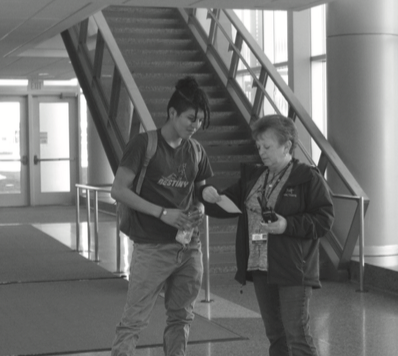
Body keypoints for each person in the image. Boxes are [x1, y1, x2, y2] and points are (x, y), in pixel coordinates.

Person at [200, 114, 334, 356]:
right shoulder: (255, 176)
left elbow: (324, 220)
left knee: (297, 334)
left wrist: (287, 225)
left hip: (293, 268)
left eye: (267, 146)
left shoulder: (307, 178)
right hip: (261, 266)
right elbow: (225, 201)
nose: (261, 152)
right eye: (258, 146)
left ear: (287, 146)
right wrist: (208, 194)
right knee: (275, 334)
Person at [110, 76, 212, 356]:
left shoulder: (196, 151)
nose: (196, 125)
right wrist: (162, 213)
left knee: (181, 318)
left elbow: (202, 194)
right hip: (152, 247)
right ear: (172, 113)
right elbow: (118, 189)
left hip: (188, 247)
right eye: (191, 118)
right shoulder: (144, 144)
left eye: (200, 120)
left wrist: (200, 209)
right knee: (134, 322)